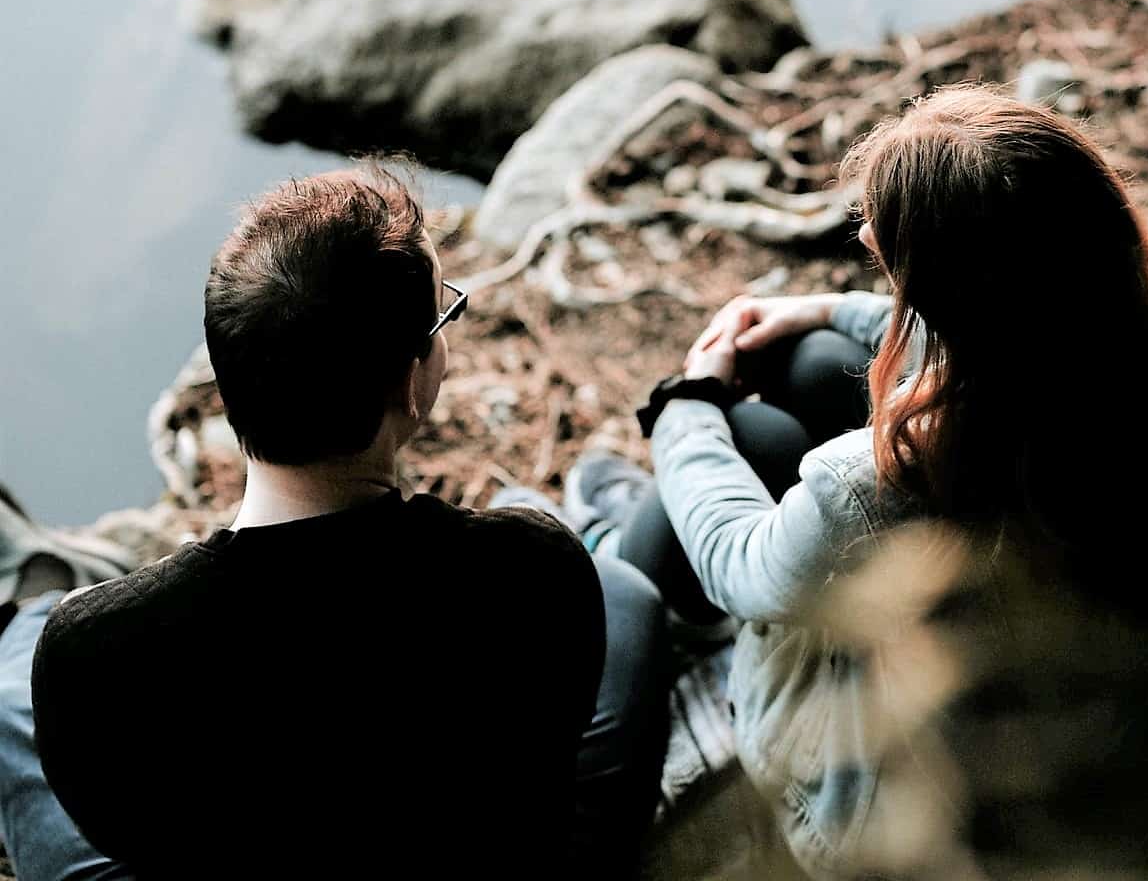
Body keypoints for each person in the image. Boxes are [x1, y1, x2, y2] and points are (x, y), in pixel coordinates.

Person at [578, 86, 1148, 878]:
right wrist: (826, 310)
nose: (862, 231)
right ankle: (632, 529)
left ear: (953, 285)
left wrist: (687, 403)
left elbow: (740, 565)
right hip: (1122, 759)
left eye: (882, 230)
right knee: (819, 364)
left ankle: (612, 546)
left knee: (748, 441)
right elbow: (1009, 336)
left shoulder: (882, 481)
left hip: (909, 829)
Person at [0, 166, 673, 881]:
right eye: (443, 317)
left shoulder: (90, 654)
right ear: (413, 382)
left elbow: (125, 835)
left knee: (14, 685)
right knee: (624, 594)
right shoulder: (531, 569)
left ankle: (27, 593)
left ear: (228, 381)